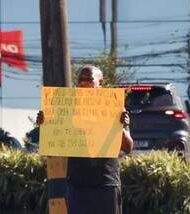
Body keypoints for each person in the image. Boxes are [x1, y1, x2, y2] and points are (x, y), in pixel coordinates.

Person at [36, 65, 133, 214]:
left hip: (106, 184)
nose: (83, 83)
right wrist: (46, 125)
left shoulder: (114, 109)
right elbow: (52, 150)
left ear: (101, 83)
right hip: (77, 186)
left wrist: (121, 127)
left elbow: (128, 147)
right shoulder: (68, 109)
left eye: (89, 79)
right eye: (80, 80)